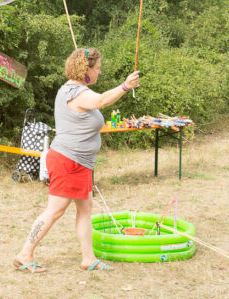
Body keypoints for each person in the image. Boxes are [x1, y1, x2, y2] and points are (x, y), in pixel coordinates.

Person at [13, 47, 140, 273]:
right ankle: (25, 253)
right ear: (86, 68)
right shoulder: (76, 93)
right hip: (68, 161)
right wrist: (125, 86)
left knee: (85, 208)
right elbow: (101, 100)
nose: (100, 73)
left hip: (79, 162)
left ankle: (87, 258)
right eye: (98, 68)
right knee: (55, 210)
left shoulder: (76, 89)